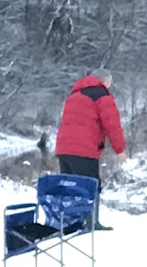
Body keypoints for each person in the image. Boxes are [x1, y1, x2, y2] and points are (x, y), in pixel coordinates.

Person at [54, 71, 126, 229]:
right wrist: (119, 149)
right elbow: (112, 125)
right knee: (90, 185)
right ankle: (91, 223)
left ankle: (72, 222)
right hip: (84, 149)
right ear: (105, 81)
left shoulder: (74, 95)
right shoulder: (101, 95)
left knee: (71, 185)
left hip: (64, 148)